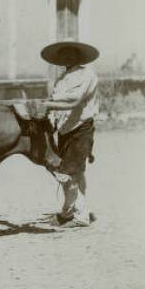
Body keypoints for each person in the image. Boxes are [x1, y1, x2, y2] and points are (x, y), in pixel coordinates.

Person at [37, 38, 100, 228]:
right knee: (75, 173)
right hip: (65, 130)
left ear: (79, 56)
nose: (67, 57)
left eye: (71, 54)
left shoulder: (87, 74)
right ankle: (73, 212)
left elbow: (74, 99)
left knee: (69, 172)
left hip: (81, 128)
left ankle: (78, 216)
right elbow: (57, 104)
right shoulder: (62, 79)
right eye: (64, 54)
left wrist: (45, 104)